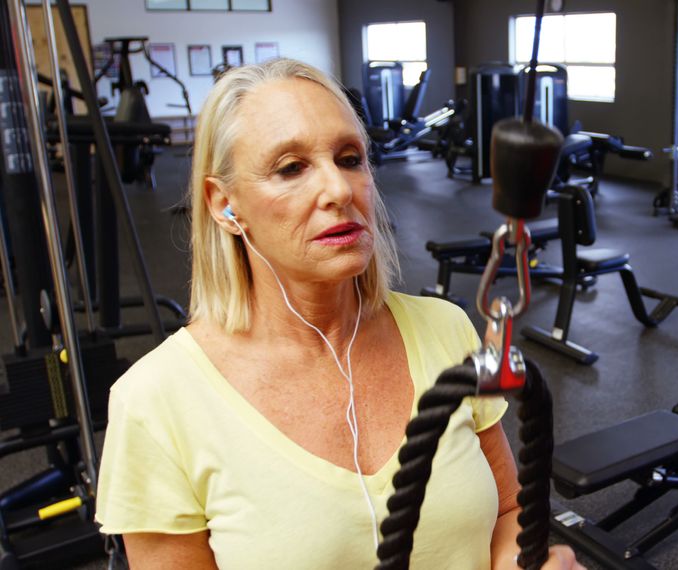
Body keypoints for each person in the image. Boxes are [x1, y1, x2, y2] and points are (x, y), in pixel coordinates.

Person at [94, 58, 582, 570]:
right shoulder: (154, 403)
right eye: (291, 168)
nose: (340, 190)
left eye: (350, 159)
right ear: (224, 205)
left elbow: (509, 509)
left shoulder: (446, 329)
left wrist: (519, 563)